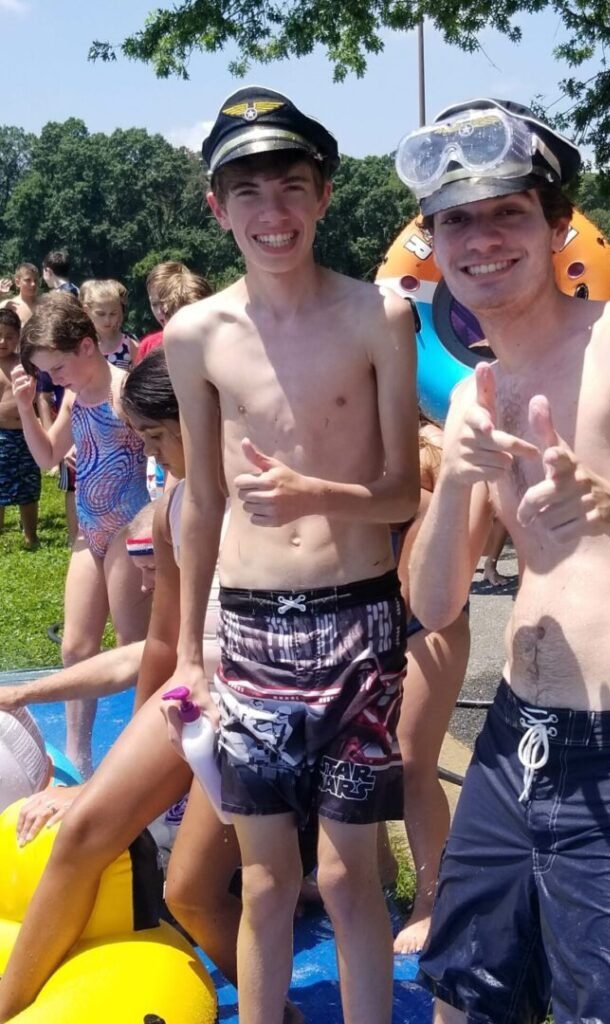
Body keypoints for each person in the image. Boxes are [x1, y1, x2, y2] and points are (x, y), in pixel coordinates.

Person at [395, 98, 610, 1024]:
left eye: (507, 211)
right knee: (464, 998)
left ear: (556, 228)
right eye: (455, 220)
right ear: (434, 241)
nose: (480, 238)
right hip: (516, 738)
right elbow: (432, 605)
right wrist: (457, 485)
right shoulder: (474, 392)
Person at [161, 86, 419, 1024]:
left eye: (292, 187)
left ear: (325, 195)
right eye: (249, 193)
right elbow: (203, 501)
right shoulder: (196, 335)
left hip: (358, 623)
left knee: (351, 880)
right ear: (216, 206)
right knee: (267, 884)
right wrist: (191, 649)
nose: (272, 215)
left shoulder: (377, 318)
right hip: (254, 631)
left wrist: (322, 494)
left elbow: (402, 491)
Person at [0, 350, 304, 1024]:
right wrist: (117, 773)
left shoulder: (281, 495)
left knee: (191, 893)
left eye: (159, 437)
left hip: (269, 708)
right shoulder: (174, 505)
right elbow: (164, 646)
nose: (150, 453)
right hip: (196, 698)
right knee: (83, 830)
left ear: (207, 417)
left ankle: (278, 1013)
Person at [11, 293, 150, 776]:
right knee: (75, 647)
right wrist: (28, 408)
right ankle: (78, 755)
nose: (55, 378)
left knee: (135, 646)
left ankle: (144, 755)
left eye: (58, 368)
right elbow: (49, 457)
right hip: (88, 529)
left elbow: (162, 454)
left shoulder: (124, 392)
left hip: (128, 526)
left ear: (87, 347)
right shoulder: (74, 395)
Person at [388, 420, 488, 955]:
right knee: (354, 756)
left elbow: (416, 592)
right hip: (372, 616)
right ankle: (379, 866)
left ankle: (431, 898)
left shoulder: (426, 449)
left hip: (428, 622)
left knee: (410, 762)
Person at [0, 307, 40, 547]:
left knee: (28, 486)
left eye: (10, 336)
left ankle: (30, 535)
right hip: (0, 435)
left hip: (25, 434)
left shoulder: (25, 363)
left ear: (19, 337)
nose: (3, 341)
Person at [135, 261, 213, 363]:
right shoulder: (148, 346)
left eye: (166, 302)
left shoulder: (212, 340)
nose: (161, 312)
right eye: (154, 304)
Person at [79, 278, 136, 368]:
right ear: (86, 310)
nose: (107, 320)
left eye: (113, 314)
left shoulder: (129, 345)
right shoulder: (80, 345)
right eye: (101, 314)